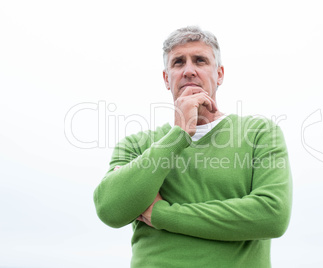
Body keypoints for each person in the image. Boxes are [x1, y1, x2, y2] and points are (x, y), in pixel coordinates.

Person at [93, 26, 292, 268]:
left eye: (200, 61)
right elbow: (110, 210)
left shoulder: (259, 132)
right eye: (178, 63)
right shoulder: (137, 145)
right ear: (167, 79)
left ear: (219, 74)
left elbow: (272, 216)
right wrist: (177, 136)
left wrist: (161, 214)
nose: (189, 71)